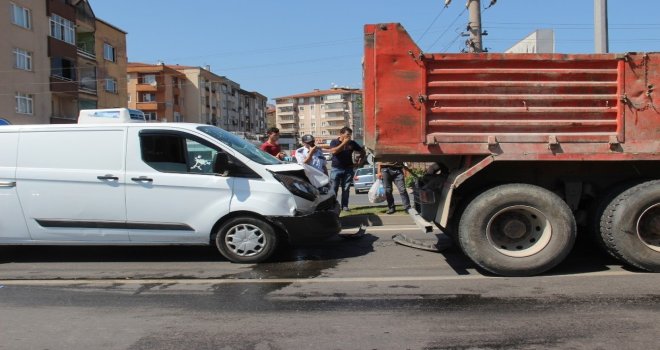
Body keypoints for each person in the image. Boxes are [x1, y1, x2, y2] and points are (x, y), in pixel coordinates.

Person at [328, 127, 365, 211]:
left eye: (350, 135)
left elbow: (362, 151)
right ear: (341, 134)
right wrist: (344, 143)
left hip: (348, 169)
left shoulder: (352, 143)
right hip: (336, 169)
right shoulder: (334, 142)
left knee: (346, 189)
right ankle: (332, 206)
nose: (349, 137)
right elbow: (334, 151)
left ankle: (344, 206)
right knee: (334, 188)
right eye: (348, 135)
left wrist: (359, 161)